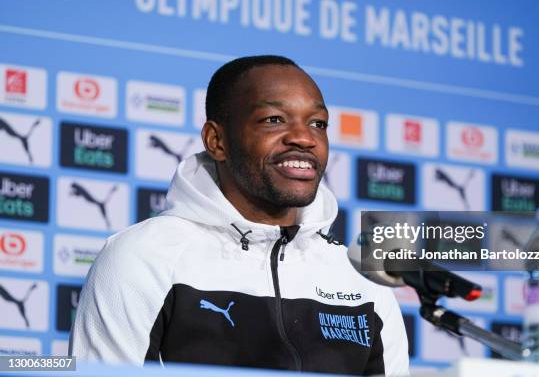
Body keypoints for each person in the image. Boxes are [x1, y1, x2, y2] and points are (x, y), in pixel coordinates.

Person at [70, 55, 410, 375]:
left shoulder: (361, 279)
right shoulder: (144, 256)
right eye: (274, 120)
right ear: (217, 141)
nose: (304, 138)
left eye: (318, 123)